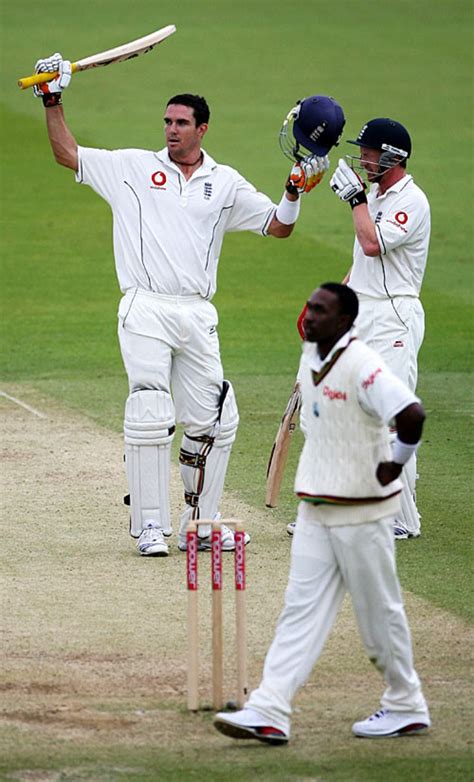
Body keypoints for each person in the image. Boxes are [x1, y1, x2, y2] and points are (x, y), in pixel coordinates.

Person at [32, 54, 340, 558]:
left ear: (202, 128)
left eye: (181, 123)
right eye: (167, 122)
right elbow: (68, 153)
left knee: (216, 417)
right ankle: (149, 526)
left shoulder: (225, 182)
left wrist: (293, 191)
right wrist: (52, 99)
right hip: (145, 307)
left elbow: (278, 226)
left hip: (197, 312)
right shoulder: (133, 167)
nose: (172, 131)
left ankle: (199, 524)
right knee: (150, 410)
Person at [214, 283, 430, 744]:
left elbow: (411, 413)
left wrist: (393, 464)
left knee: (377, 616)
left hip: (360, 511)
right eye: (309, 306)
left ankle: (405, 702)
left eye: (320, 310)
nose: (309, 316)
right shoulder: (313, 355)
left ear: (345, 321)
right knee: (299, 609)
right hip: (315, 503)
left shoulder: (361, 363)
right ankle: (270, 708)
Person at [329, 119, 431, 540]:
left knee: (391, 414)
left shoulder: (413, 201)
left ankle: (401, 518)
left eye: (368, 152)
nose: (362, 158)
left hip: (395, 315)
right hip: (366, 311)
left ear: (393, 156)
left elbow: (373, 243)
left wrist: (355, 200)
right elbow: (363, 261)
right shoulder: (374, 194)